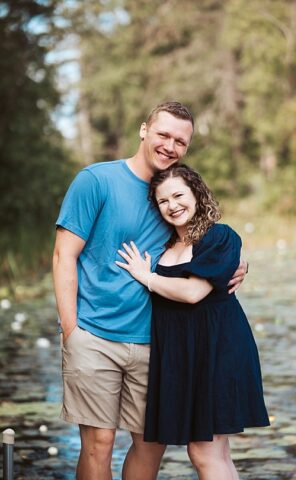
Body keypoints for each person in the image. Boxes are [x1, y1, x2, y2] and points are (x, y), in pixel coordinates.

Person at [52, 102, 247, 480]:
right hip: (94, 335)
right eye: (163, 135)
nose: (170, 146)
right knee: (99, 443)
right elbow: (63, 257)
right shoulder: (96, 181)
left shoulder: (174, 191)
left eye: (180, 141)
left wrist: (241, 262)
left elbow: (206, 240)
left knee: (150, 445)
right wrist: (71, 330)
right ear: (144, 130)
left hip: (158, 344)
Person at [115, 163, 269, 479]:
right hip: (182, 354)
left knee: (204, 450)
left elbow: (192, 293)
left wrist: (146, 277)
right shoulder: (163, 246)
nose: (173, 206)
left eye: (178, 195)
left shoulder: (219, 236)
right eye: (163, 201)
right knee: (214, 452)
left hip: (217, 349)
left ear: (196, 194)